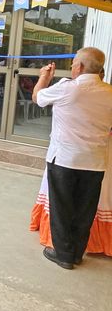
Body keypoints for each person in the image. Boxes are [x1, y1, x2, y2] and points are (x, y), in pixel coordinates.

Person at [32, 48, 112, 269]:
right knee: (85, 210)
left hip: (65, 159)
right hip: (95, 161)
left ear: (80, 67)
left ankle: (64, 255)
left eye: (74, 62)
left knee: (62, 208)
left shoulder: (68, 88)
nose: (72, 66)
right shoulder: (109, 92)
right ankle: (76, 253)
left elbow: (37, 97)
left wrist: (43, 77)